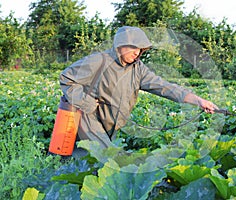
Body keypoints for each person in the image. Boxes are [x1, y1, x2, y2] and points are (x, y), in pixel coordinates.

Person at [60, 26, 219, 153]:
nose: (137, 52)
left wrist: (199, 101)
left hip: (110, 123)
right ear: (120, 45)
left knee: (85, 159)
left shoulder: (138, 69)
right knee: (104, 158)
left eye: (141, 49)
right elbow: (67, 78)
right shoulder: (99, 61)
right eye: (133, 47)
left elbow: (165, 87)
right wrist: (86, 102)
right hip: (88, 118)